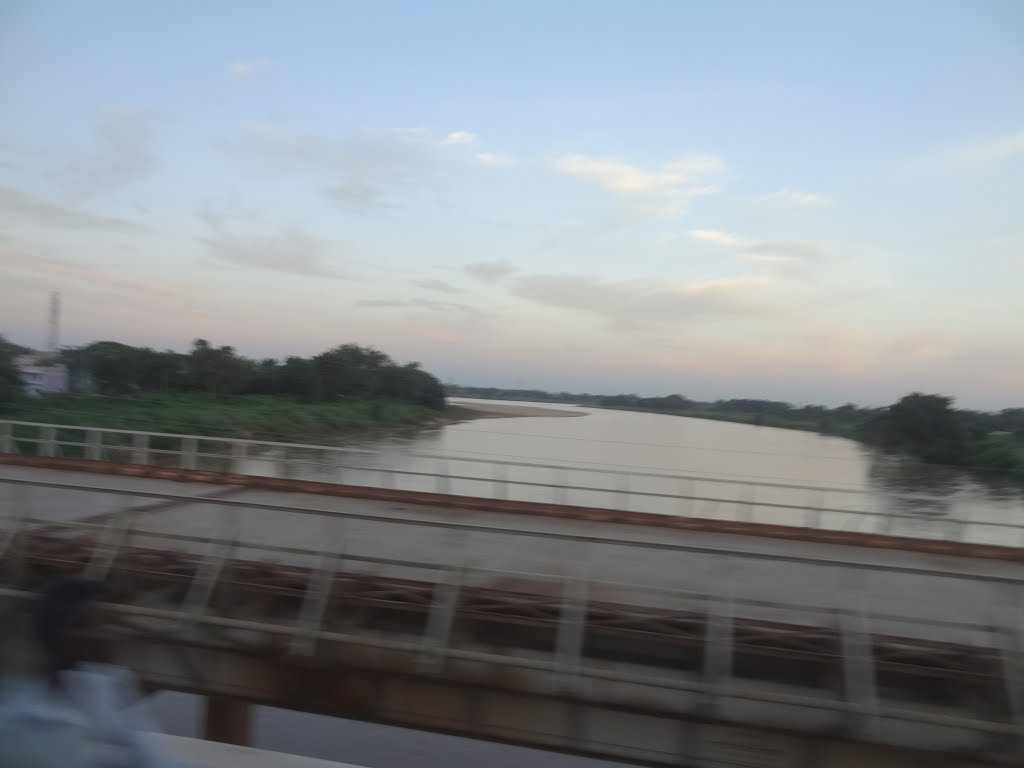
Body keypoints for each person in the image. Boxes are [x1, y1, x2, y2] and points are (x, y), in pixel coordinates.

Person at [0, 578, 189, 767]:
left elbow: (153, 755)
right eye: (93, 625)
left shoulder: (108, 690)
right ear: (65, 636)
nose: (106, 635)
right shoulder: (18, 721)